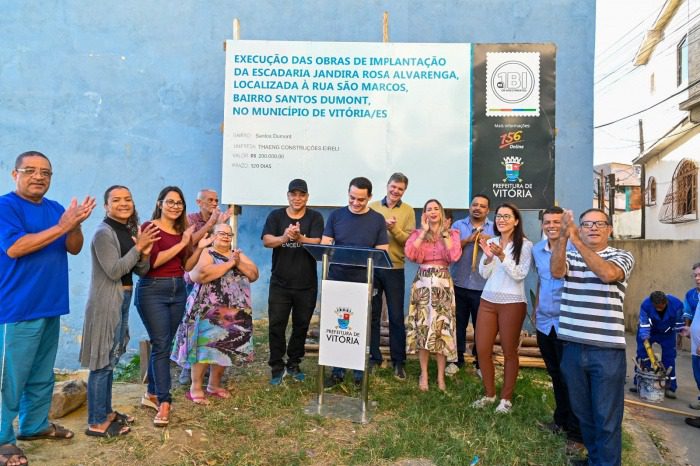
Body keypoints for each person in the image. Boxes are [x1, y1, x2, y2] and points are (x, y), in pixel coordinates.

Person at [0, 151, 95, 465]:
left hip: (50, 305)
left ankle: (34, 426)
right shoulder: (6, 207)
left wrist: (75, 225)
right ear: (15, 174)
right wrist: (63, 225)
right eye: (30, 170)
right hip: (16, 309)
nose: (38, 176)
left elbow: (74, 247)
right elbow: (15, 248)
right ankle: (2, 441)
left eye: (46, 172)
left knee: (41, 375)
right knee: (9, 379)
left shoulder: (56, 209)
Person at [552, 208, 634, 466]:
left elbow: (607, 274)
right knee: (584, 414)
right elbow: (556, 272)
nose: (593, 228)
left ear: (609, 229)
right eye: (587, 224)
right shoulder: (571, 257)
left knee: (606, 418)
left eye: (599, 224)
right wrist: (564, 237)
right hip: (573, 347)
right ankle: (595, 461)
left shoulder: (621, 256)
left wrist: (575, 238)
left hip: (606, 351)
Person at [79, 185, 159, 437]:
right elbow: (114, 271)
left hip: (123, 298)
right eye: (116, 200)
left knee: (111, 358)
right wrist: (139, 248)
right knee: (101, 362)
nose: (124, 203)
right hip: (106, 303)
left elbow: (141, 270)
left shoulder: (127, 230)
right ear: (106, 206)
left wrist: (143, 251)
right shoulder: (103, 233)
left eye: (128, 199)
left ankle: (106, 412)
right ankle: (96, 422)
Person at [135, 186, 210, 427]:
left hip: (178, 290)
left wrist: (198, 246)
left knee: (165, 344)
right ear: (160, 203)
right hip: (153, 290)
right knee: (160, 344)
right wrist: (183, 242)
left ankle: (152, 393)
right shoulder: (150, 227)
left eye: (179, 203)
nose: (175, 206)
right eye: (170, 202)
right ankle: (165, 402)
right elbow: (154, 262)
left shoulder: (181, 231)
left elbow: (187, 265)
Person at [171, 223, 258, 404]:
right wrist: (230, 264)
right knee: (203, 347)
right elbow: (201, 275)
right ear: (213, 235)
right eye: (221, 233)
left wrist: (237, 261)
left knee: (225, 347)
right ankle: (195, 387)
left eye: (229, 234)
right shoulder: (205, 252)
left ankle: (214, 385)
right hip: (207, 310)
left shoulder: (237, 254)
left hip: (233, 311)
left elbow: (253, 274)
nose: (226, 237)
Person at [321, 177, 389, 387]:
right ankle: (337, 370)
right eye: (352, 198)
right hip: (337, 279)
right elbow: (325, 244)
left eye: (361, 199)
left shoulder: (377, 219)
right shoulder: (336, 216)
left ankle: (360, 372)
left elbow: (382, 251)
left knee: (360, 326)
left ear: (369, 197)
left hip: (363, 280)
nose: (356, 203)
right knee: (338, 326)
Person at [471, 203, 532, 413]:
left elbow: (519, 274)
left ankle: (506, 399)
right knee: (482, 348)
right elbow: (484, 273)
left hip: (512, 302)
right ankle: (489, 394)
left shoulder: (525, 245)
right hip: (488, 300)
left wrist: (502, 256)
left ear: (516, 221)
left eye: (507, 216)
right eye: (499, 216)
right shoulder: (492, 241)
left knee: (509, 351)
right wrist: (488, 256)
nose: (501, 219)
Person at [261, 179, 324, 385]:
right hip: (280, 283)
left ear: (307, 197)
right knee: (276, 325)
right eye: (293, 194)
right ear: (287, 195)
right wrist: (285, 237)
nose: (297, 198)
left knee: (301, 326)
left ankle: (294, 363)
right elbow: (267, 241)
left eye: (301, 195)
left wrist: (299, 238)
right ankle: (277, 366)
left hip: (306, 284)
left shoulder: (315, 217)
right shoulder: (276, 216)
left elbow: (318, 242)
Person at [532, 206, 581, 442]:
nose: (551, 226)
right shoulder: (537, 250)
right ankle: (560, 420)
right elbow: (542, 282)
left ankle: (575, 431)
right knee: (554, 373)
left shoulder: (576, 249)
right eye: (547, 222)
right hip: (544, 322)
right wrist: (535, 309)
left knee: (569, 376)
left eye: (556, 222)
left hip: (567, 323)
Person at [404, 199, 461, 391]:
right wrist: (422, 232)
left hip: (442, 285)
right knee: (423, 328)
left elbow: (454, 256)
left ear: (442, 212)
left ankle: (440, 376)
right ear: (425, 214)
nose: (433, 212)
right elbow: (411, 254)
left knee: (441, 330)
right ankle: (424, 374)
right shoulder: (417, 234)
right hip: (422, 284)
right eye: (429, 209)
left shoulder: (452, 233)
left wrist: (444, 233)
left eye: (436, 209)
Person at [179, 189, 231, 385]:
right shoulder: (189, 220)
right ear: (198, 202)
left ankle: (209, 370)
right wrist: (212, 225)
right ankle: (186, 369)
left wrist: (220, 226)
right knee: (191, 327)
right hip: (192, 282)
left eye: (216, 200)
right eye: (210, 200)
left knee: (212, 328)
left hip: (214, 282)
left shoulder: (220, 221)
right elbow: (189, 243)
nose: (214, 203)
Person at [368, 173, 415, 380]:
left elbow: (410, 241)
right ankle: (374, 357)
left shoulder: (408, 210)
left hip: (395, 268)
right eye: (393, 187)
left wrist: (394, 229)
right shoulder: (373, 207)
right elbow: (366, 235)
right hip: (374, 267)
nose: (396, 191)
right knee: (373, 314)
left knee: (396, 316)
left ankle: (398, 361)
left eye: (400, 189)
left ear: (404, 191)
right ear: (387, 186)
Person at [448, 195, 494, 377]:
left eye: (482, 206)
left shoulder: (494, 228)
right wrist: (467, 240)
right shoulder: (458, 226)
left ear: (487, 211)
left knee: (481, 327)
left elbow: (501, 250)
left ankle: (480, 363)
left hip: (483, 287)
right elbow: (450, 249)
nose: (478, 208)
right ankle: (456, 360)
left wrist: (489, 241)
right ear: (469, 207)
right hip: (459, 283)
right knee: (457, 325)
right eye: (475, 205)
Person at [630, 291, 684, 398]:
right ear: (652, 303)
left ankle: (670, 387)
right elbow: (644, 323)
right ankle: (640, 384)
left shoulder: (677, 305)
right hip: (650, 330)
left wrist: (679, 337)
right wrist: (645, 339)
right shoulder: (646, 304)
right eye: (656, 307)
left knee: (669, 358)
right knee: (643, 356)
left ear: (666, 302)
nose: (659, 309)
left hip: (668, 333)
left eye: (661, 307)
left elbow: (679, 323)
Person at [684, 263, 700, 413]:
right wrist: (688, 328)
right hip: (696, 344)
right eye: (695, 275)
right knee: (697, 373)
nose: (697, 278)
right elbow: (688, 312)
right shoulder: (692, 295)